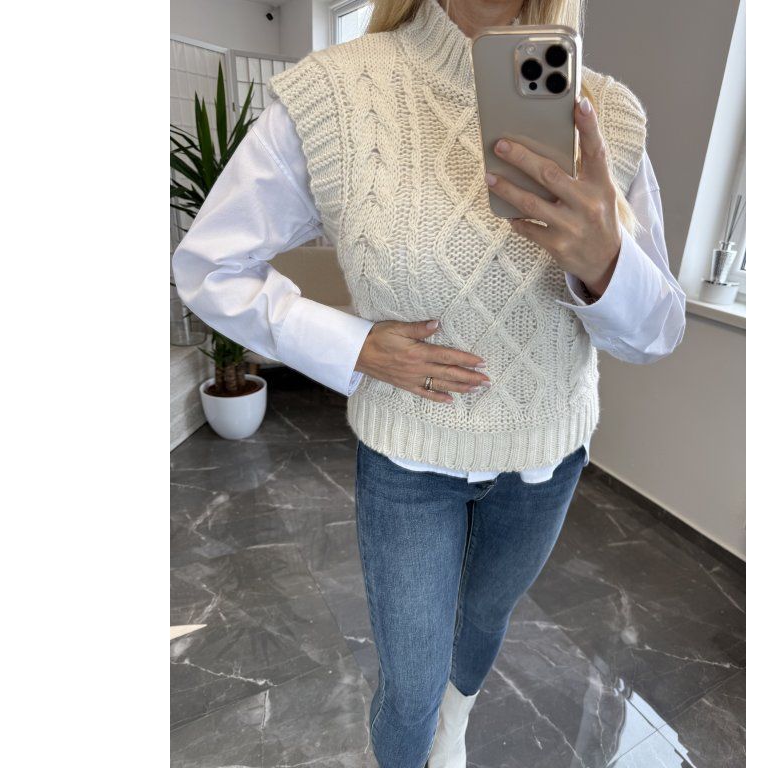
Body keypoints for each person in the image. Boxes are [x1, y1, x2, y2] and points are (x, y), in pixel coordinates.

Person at [172, 1, 686, 765]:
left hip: (545, 455)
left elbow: (657, 332)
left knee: (482, 624)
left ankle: (459, 724)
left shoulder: (606, 113)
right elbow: (209, 266)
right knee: (410, 688)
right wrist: (354, 348)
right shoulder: (336, 92)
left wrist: (607, 263)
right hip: (410, 459)